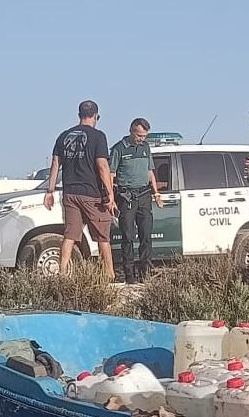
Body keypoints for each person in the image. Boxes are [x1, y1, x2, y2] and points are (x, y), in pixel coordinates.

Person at [44, 100, 115, 278]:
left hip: (70, 193)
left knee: (70, 235)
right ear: (96, 116)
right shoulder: (98, 136)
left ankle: (62, 272)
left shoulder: (63, 136)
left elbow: (55, 163)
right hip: (91, 193)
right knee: (102, 236)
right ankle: (109, 274)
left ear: (79, 115)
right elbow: (102, 166)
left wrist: (50, 191)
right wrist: (110, 194)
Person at [108, 118, 164, 283]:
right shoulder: (119, 148)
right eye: (139, 135)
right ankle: (129, 275)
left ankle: (145, 273)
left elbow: (150, 172)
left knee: (146, 235)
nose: (141, 139)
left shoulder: (146, 147)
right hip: (127, 197)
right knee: (128, 236)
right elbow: (111, 175)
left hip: (144, 196)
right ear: (131, 130)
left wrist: (156, 194)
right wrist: (111, 198)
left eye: (144, 136)